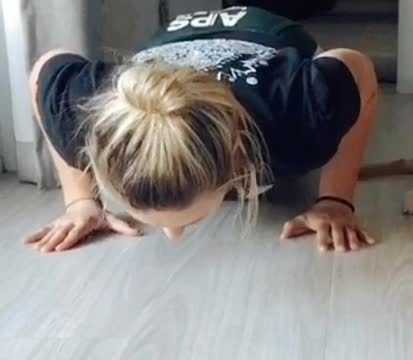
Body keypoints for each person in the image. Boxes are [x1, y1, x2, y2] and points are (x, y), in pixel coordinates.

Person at [27, 6, 378, 253]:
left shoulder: (299, 112)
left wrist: (336, 199)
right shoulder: (88, 110)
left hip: (267, 30)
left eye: (189, 219)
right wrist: (81, 202)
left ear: (241, 155)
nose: (173, 236)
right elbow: (46, 70)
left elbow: (357, 68)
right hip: (174, 37)